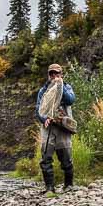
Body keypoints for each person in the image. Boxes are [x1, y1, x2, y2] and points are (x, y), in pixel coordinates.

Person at [36, 63, 76, 193]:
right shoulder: (43, 91)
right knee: (46, 157)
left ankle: (68, 185)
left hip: (63, 126)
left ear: (61, 74)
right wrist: (44, 119)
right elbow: (38, 109)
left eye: (57, 73)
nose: (54, 76)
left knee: (65, 156)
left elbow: (70, 100)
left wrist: (60, 86)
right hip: (48, 127)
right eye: (51, 73)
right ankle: (49, 187)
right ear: (48, 75)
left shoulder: (67, 87)